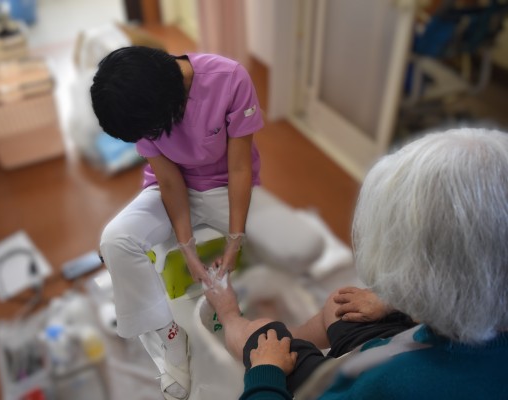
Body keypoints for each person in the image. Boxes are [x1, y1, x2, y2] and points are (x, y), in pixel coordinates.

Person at [90, 46, 325, 400]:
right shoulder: (140, 106)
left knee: (305, 246)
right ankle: (171, 338)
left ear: (168, 101)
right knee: (114, 240)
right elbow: (170, 182)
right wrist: (186, 248)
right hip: (166, 190)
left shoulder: (229, 79)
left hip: (223, 185)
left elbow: (240, 168)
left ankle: (285, 296)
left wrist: (234, 240)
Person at [205, 128, 508, 399]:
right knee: (340, 306)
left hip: (372, 372)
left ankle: (231, 316)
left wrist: (266, 372)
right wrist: (394, 302)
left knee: (261, 333)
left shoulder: (384, 387)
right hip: (421, 345)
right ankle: (290, 340)